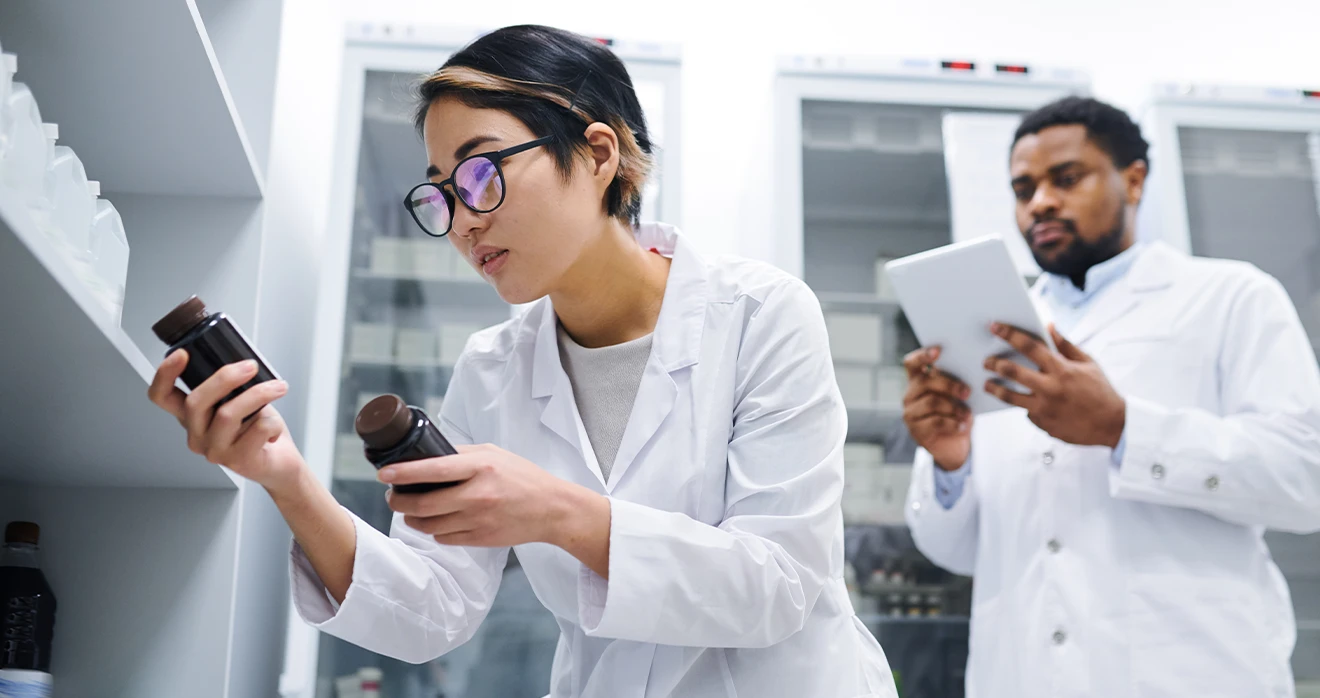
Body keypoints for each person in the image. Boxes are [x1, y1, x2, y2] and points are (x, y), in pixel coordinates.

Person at [147, 25, 896, 698]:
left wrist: (557, 512)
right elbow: (434, 606)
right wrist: (284, 474)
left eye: (481, 173)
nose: (464, 220)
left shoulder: (762, 316)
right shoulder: (493, 367)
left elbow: (780, 586)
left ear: (599, 153)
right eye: (441, 194)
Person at [901, 96, 1320, 697]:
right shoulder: (989, 331)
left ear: (1134, 179)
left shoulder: (1230, 297)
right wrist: (949, 462)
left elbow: (1305, 479)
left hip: (1195, 677)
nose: (1040, 202)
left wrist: (1124, 428)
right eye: (1024, 189)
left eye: (1066, 179)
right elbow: (956, 552)